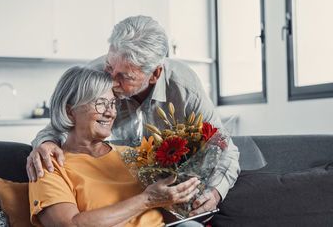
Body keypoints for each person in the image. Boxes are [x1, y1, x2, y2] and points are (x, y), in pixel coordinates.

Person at [27, 15, 240, 217]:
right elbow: (59, 123)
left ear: (155, 73)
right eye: (110, 66)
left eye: (125, 76)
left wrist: (214, 193)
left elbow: (223, 147)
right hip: (113, 195)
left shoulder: (184, 87)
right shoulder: (96, 75)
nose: (111, 81)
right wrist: (45, 143)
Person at [29, 66, 204, 227]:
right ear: (69, 112)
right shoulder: (49, 165)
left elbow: (168, 216)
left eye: (112, 103)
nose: (111, 112)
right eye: (99, 103)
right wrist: (147, 199)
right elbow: (69, 225)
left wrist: (182, 197)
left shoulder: (135, 155)